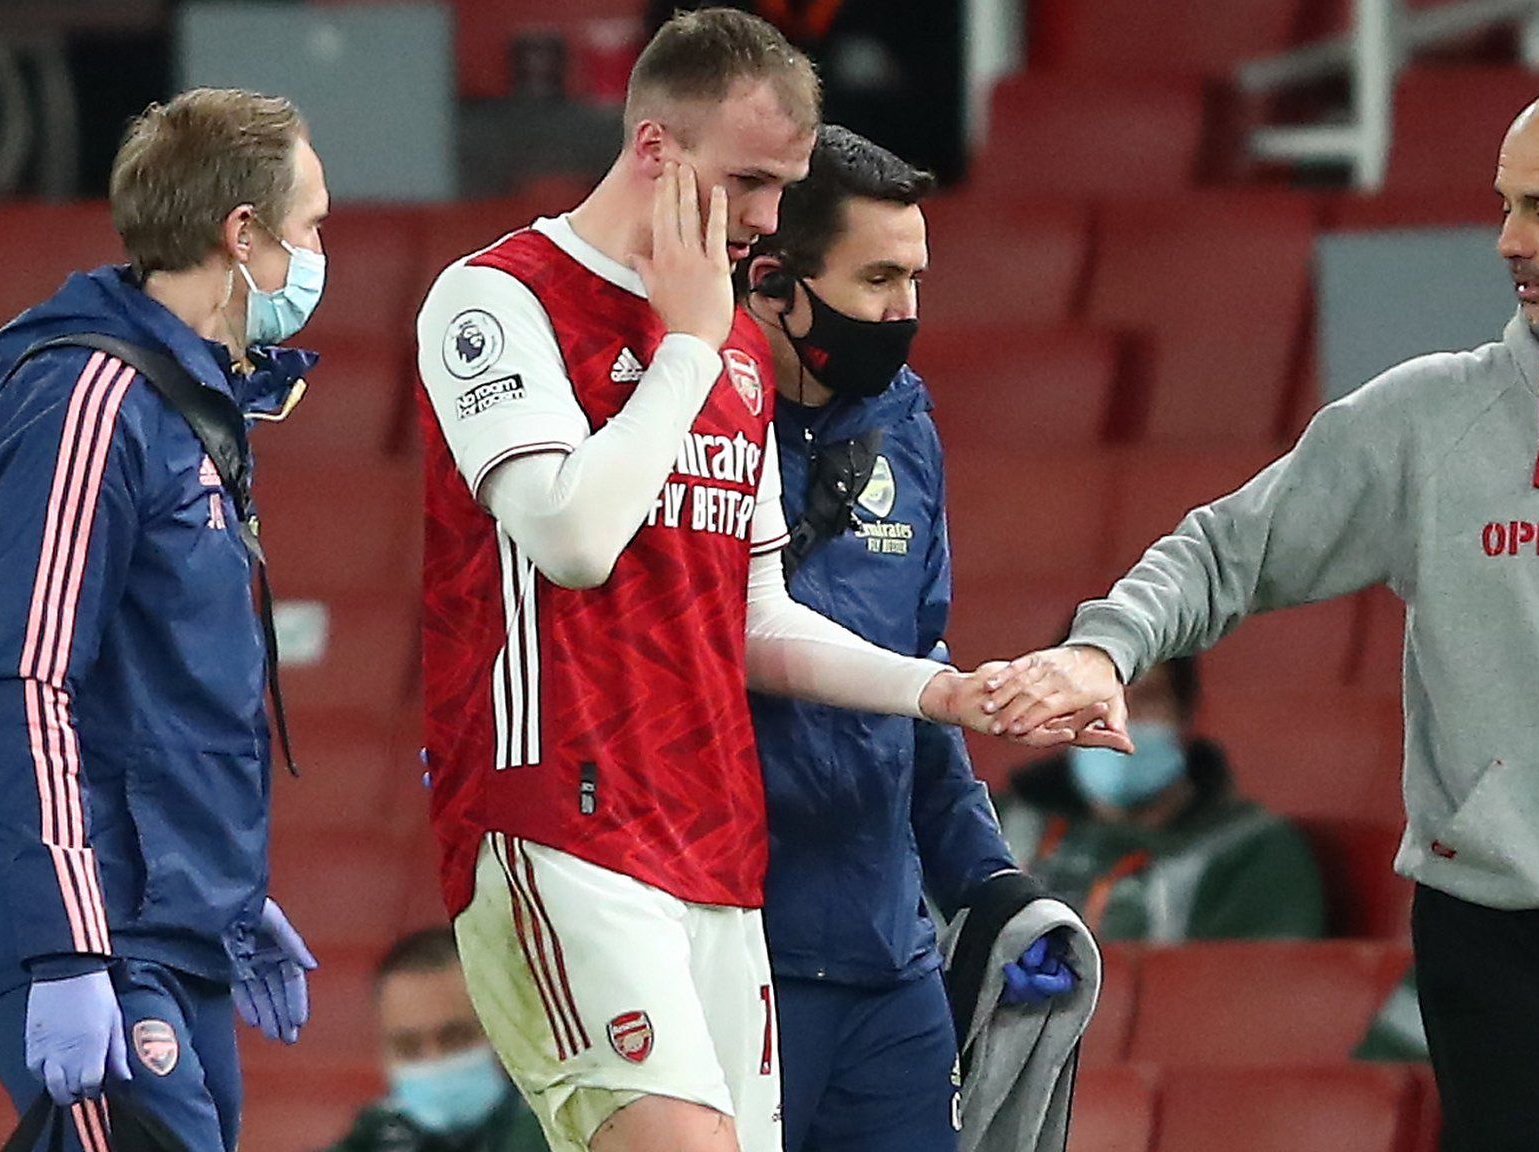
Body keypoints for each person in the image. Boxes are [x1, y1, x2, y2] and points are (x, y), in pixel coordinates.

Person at [985, 73, 1539, 1152]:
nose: (1505, 239)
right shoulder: (1423, 418)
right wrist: (1104, 646)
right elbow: (1224, 551)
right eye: (1503, 204)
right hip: (1499, 938)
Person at [415, 12, 1110, 1152]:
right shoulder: (500, 298)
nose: (761, 219)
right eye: (745, 180)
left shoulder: (735, 347)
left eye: (780, 186)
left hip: (715, 850)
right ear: (652, 148)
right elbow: (569, 537)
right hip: (561, 827)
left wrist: (943, 694)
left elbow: (756, 616)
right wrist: (687, 346)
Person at [0, 88, 330, 1149]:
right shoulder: (90, 404)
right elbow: (23, 680)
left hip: (171, 922)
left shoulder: (188, 408)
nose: (319, 254)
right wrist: (67, 951)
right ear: (240, 234)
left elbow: (159, 691)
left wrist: (232, 899)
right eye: (311, 228)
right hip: (94, 925)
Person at [734, 125, 1076, 1152]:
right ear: (774, 285)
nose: (904, 313)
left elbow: (918, 677)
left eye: (915, 278)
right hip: (739, 960)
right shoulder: (686, 438)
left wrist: (988, 882)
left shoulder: (906, 432)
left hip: (893, 968)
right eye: (878, 277)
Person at [1001, 652, 1326, 943]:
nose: (1116, 719)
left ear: (1187, 715)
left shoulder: (1252, 854)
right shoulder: (995, 825)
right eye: (1090, 702)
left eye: (1146, 698)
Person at [325, 928, 552, 1152]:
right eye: (408, 1047)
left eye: (454, 1038)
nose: (433, 1059)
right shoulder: (372, 1138)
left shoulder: (560, 1132)